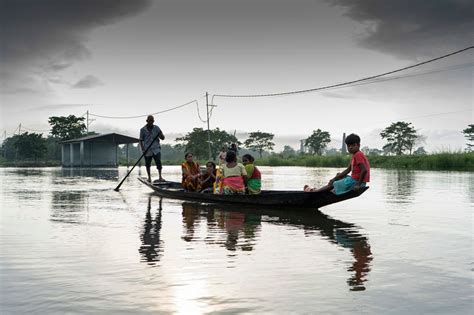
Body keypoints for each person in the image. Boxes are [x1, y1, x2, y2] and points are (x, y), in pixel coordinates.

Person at [304, 133, 370, 194]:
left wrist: (358, 184)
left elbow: (364, 170)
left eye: (353, 145)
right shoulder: (355, 155)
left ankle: (315, 192)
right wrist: (334, 178)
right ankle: (325, 190)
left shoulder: (358, 155)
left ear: (358, 145)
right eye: (348, 146)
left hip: (357, 182)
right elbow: (348, 170)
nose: (350, 147)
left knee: (335, 183)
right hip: (356, 181)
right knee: (338, 176)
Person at [139, 115, 165, 182]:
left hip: (156, 149)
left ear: (153, 121)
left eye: (152, 121)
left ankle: (160, 177)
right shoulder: (142, 130)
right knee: (148, 164)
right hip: (147, 150)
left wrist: (161, 134)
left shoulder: (157, 128)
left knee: (158, 163)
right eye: (149, 120)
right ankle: (149, 178)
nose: (151, 122)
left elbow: (163, 138)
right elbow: (141, 140)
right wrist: (143, 149)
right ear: (147, 121)